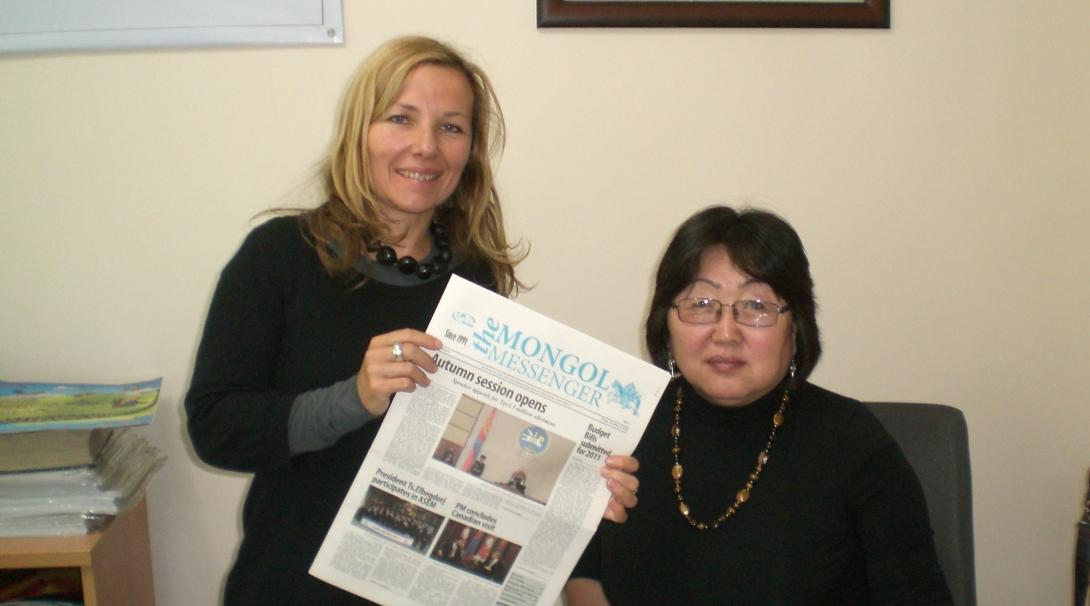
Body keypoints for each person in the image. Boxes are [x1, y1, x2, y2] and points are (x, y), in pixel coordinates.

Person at [185, 36, 638, 605]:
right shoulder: (278, 255)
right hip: (291, 588)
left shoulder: (475, 276)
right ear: (360, 132)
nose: (426, 147)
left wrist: (579, 483)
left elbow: (488, 451)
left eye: (451, 127)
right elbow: (214, 428)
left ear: (470, 150)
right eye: (401, 119)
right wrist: (354, 397)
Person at [566, 206, 952, 605]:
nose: (726, 332)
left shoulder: (854, 444)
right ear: (666, 320)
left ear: (796, 324)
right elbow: (581, 571)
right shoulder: (622, 418)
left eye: (756, 306)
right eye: (701, 303)